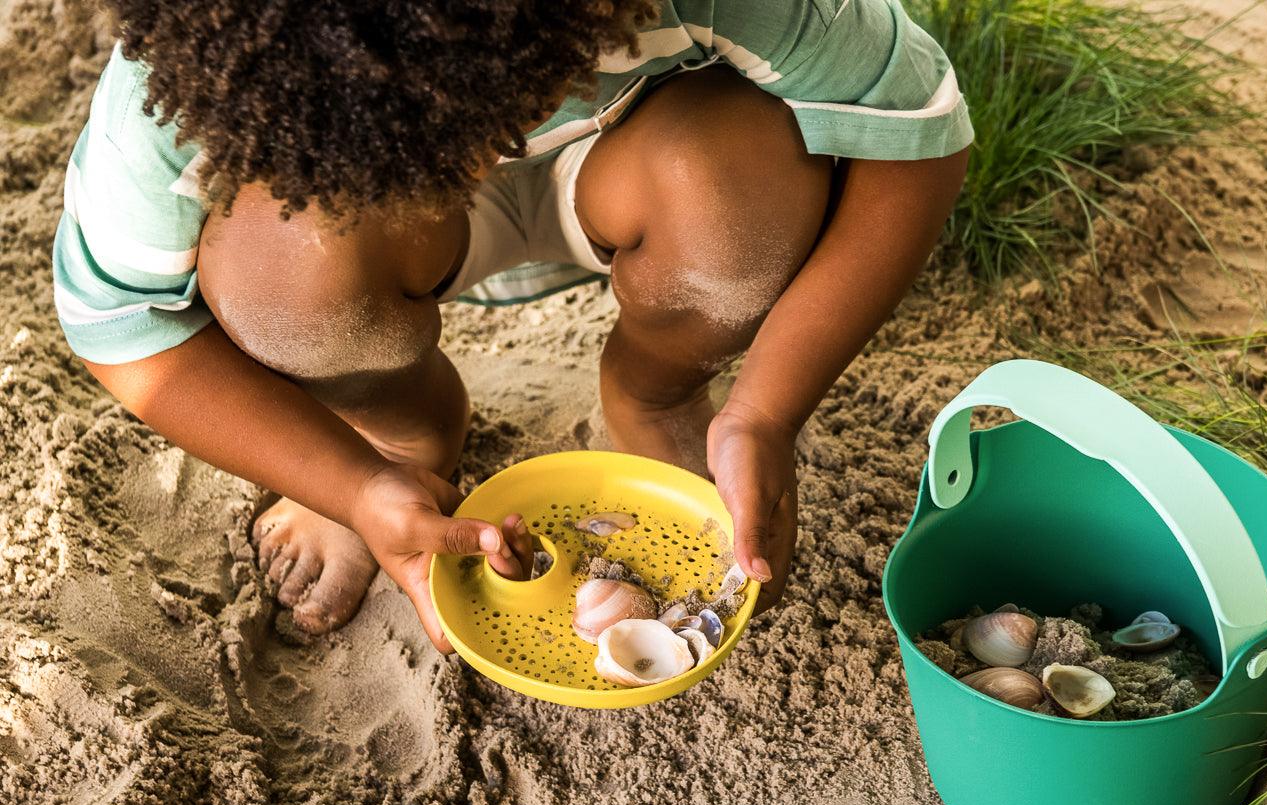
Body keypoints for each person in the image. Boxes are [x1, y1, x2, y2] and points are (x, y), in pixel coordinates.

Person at [53, 0, 972, 652]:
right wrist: (355, 485)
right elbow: (123, 328)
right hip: (381, 233)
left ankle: (658, 391)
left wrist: (766, 409)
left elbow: (918, 125)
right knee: (279, 261)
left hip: (636, 163)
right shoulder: (198, 73)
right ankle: (390, 432)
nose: (486, 154)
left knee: (736, 181)